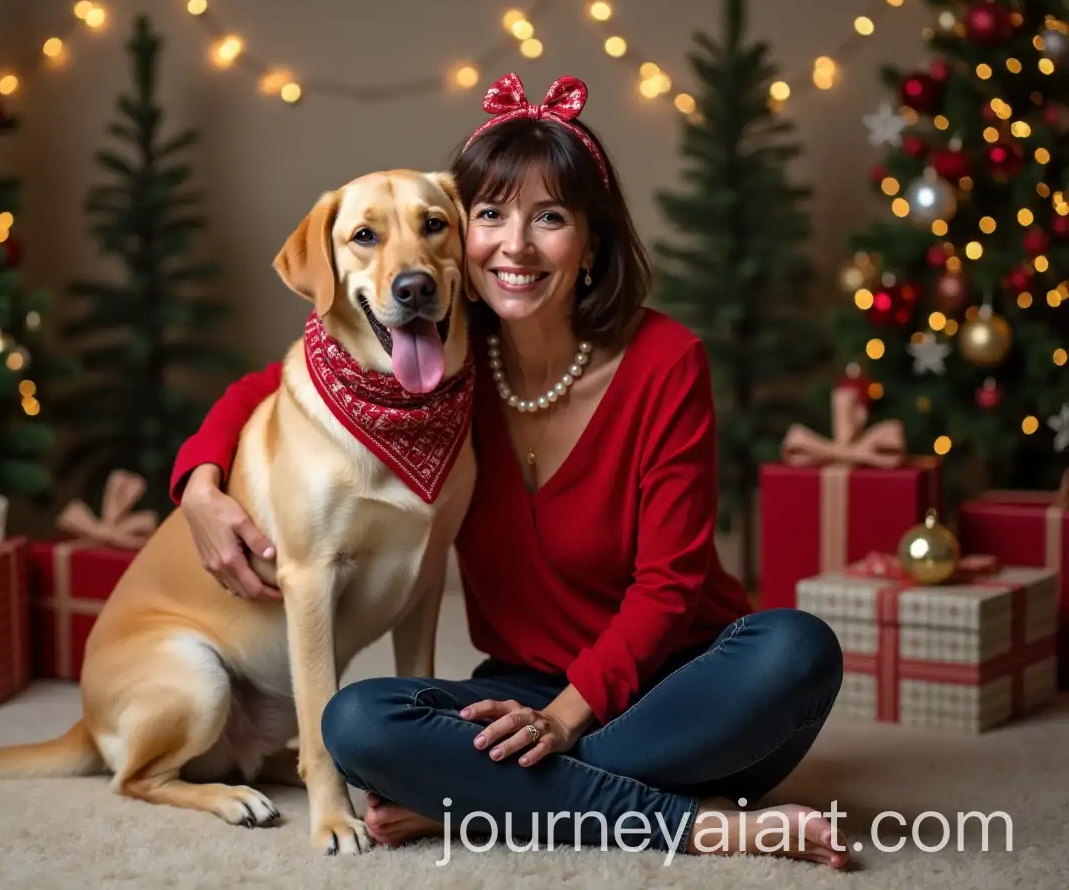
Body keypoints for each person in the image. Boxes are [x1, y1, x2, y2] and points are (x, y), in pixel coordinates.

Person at [169, 72, 848, 867]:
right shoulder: (448, 365)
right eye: (488, 215)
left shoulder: (667, 362)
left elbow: (671, 587)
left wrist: (562, 722)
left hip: (680, 693)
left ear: (591, 241)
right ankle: (695, 823)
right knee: (356, 721)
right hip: (518, 689)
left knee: (798, 649)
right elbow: (276, 382)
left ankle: (486, 803)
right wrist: (202, 481)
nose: (515, 245)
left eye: (550, 218)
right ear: (463, 237)